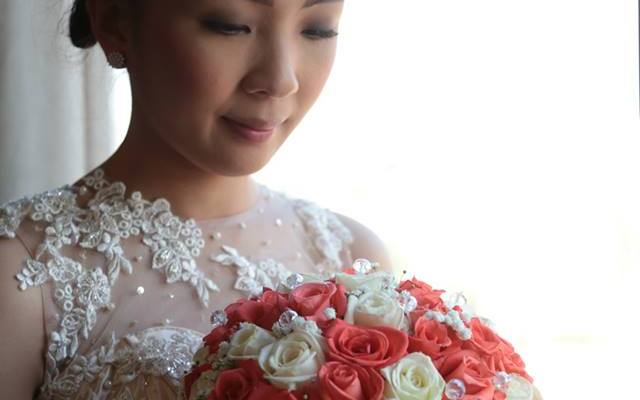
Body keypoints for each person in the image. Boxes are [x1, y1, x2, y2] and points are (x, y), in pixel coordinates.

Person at [0, 0, 394, 398]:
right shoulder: (22, 270)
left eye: (317, 29)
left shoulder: (352, 259)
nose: (280, 80)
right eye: (230, 25)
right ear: (115, 21)